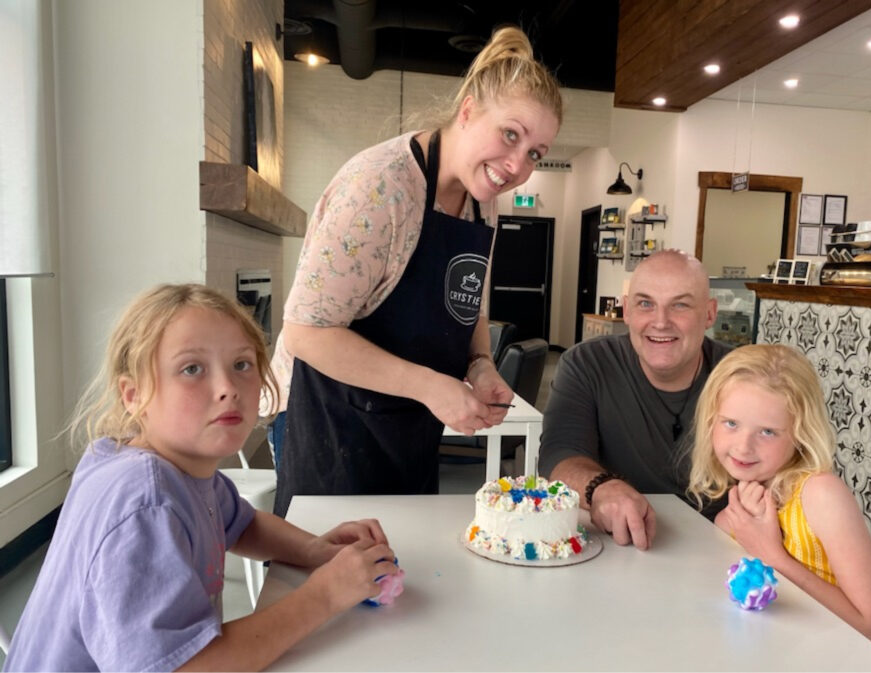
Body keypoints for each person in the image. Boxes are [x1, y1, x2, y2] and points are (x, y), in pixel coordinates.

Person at [3, 284, 398, 672]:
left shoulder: (177, 467)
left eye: (242, 364)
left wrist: (313, 549)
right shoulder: (145, 499)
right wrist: (324, 596)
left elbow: (242, 525)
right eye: (192, 369)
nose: (228, 388)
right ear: (133, 394)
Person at [265, 26, 562, 514]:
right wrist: (431, 386)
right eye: (510, 134)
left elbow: (471, 307)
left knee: (406, 571)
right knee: (336, 577)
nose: (516, 166)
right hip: (329, 421)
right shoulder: (380, 187)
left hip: (408, 424)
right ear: (467, 110)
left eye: (534, 153)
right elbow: (306, 334)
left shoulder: (481, 203)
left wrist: (479, 365)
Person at [688, 344, 871, 672]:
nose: (744, 446)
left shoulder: (820, 495)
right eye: (731, 423)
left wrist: (774, 557)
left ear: (800, 436)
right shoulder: (736, 513)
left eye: (768, 432)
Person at [539, 250, 732, 551]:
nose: (660, 321)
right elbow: (560, 452)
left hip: (722, 549)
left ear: (709, 314)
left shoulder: (742, 376)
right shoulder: (587, 363)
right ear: (627, 310)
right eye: (645, 304)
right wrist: (601, 488)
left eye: (679, 305)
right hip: (619, 545)